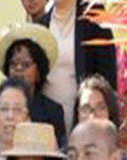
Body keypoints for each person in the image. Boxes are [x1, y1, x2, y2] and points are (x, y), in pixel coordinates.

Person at [40, 0, 117, 133]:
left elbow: (107, 77)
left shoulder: (93, 15)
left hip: (87, 118)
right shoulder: (42, 23)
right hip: (49, 123)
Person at [0, 22, 66, 146]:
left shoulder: (53, 112)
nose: (18, 69)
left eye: (26, 64)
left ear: (38, 72)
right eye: (13, 64)